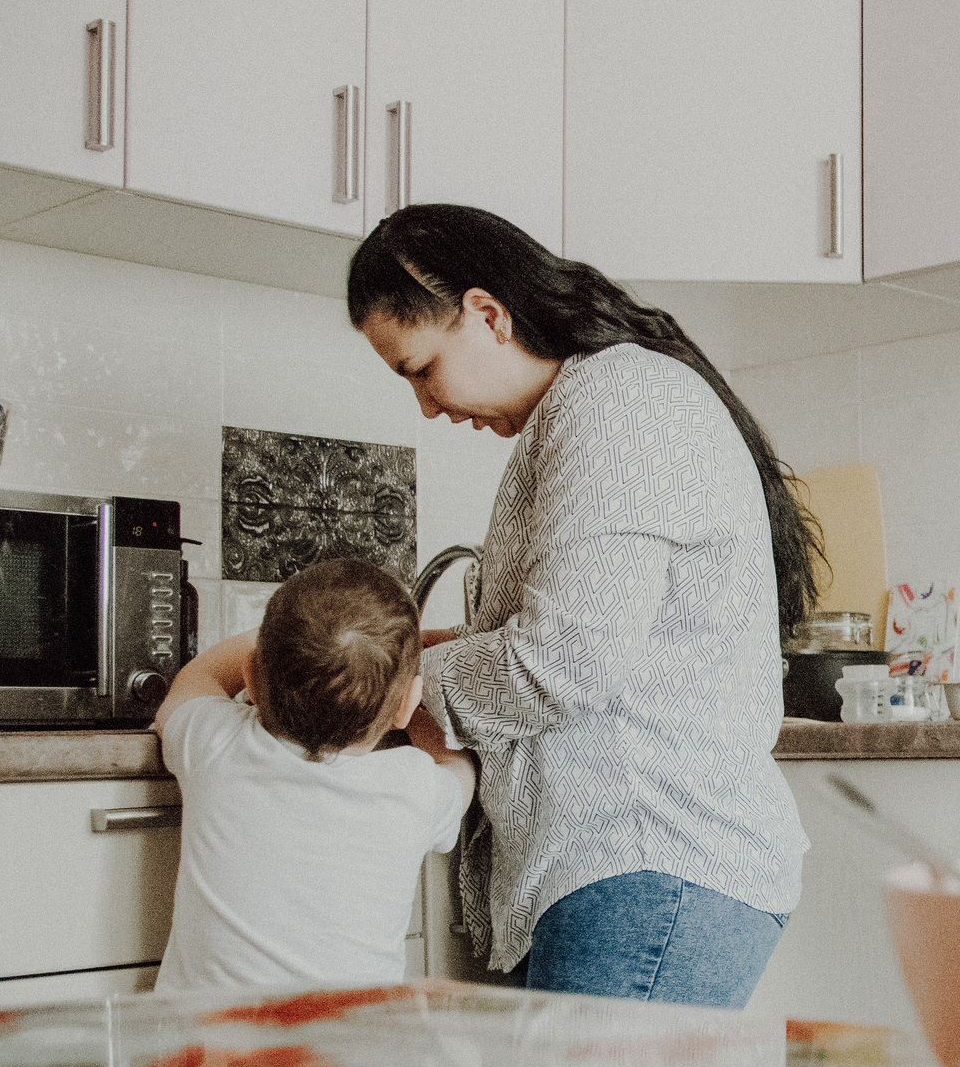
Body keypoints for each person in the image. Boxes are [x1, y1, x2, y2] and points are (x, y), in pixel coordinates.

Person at [346, 204, 816, 1007]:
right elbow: (577, 634)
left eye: (421, 368)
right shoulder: (597, 403)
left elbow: (564, 660)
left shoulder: (616, 403)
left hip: (646, 863)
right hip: (634, 874)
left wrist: (393, 682)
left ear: (486, 315)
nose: (426, 406)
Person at [152, 557, 476, 991]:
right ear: (405, 704)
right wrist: (418, 695)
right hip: (345, 1048)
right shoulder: (414, 786)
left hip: (211, 1050)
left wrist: (275, 644)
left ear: (253, 673)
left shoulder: (216, 743)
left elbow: (198, 676)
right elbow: (458, 768)